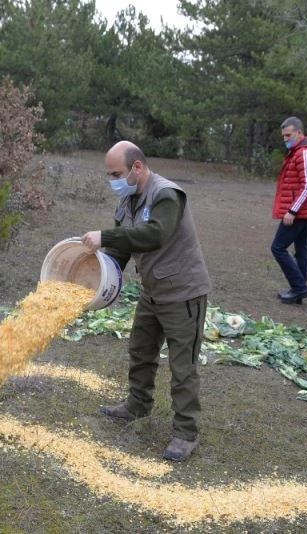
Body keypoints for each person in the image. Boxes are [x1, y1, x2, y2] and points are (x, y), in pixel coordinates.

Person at [81, 140, 211, 462]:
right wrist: (97, 281)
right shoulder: (127, 201)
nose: (113, 180)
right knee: (141, 351)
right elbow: (121, 251)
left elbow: (155, 235)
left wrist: (105, 236)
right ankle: (137, 405)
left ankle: (185, 433)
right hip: (152, 292)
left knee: (182, 367)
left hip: (183, 293)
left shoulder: (167, 195)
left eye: (117, 173)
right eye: (109, 174)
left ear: (137, 167)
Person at [271, 117, 307, 304]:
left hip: (301, 212)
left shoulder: (304, 152)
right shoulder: (299, 151)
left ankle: (299, 287)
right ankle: (298, 292)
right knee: (301, 249)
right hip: (305, 211)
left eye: (288, 135)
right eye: (284, 136)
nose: (285, 139)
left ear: (299, 133)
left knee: (278, 247)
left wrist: (292, 211)